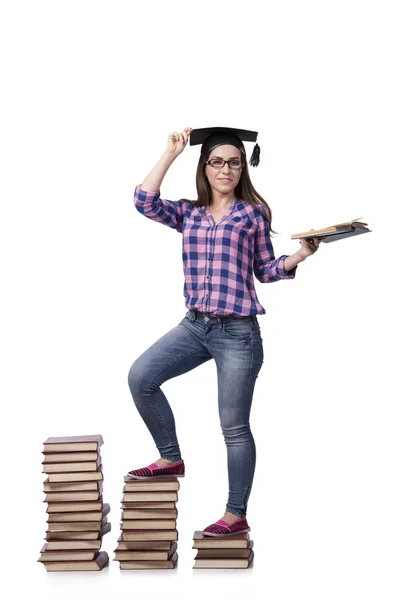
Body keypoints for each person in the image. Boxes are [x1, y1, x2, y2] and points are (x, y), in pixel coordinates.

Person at [127, 126, 321, 537]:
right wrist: (170, 154)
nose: (226, 169)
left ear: (241, 169)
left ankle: (235, 515)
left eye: (234, 162)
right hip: (195, 326)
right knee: (141, 377)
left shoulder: (252, 214)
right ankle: (170, 458)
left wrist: (301, 254)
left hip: (238, 335)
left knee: (233, 427)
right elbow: (144, 200)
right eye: (218, 161)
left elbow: (266, 271)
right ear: (206, 166)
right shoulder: (189, 212)